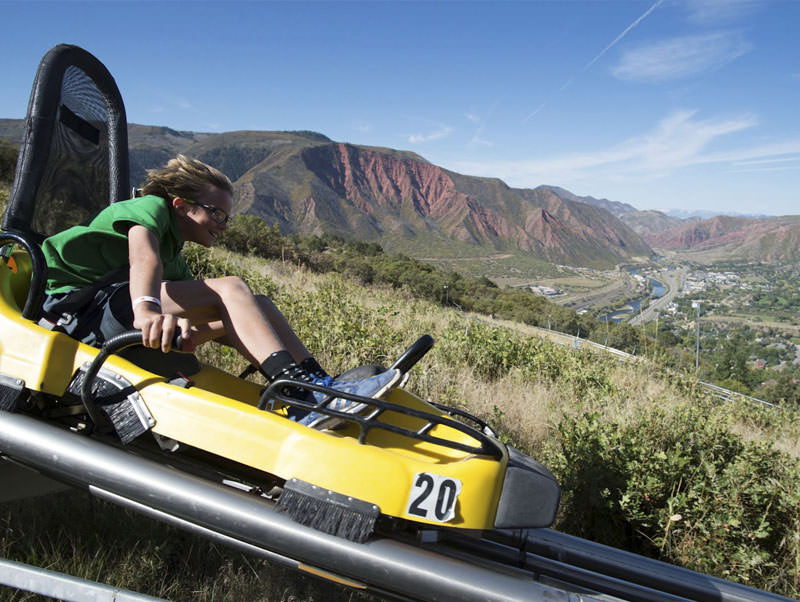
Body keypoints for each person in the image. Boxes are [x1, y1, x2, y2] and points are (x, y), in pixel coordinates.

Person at [40, 155, 400, 427]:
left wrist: (198, 332)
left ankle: (320, 386)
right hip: (74, 311)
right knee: (230, 287)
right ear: (181, 205)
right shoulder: (149, 209)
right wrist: (148, 313)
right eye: (217, 214)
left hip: (108, 312)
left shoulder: (175, 254)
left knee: (256, 304)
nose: (224, 226)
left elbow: (227, 321)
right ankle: (302, 396)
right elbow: (142, 260)